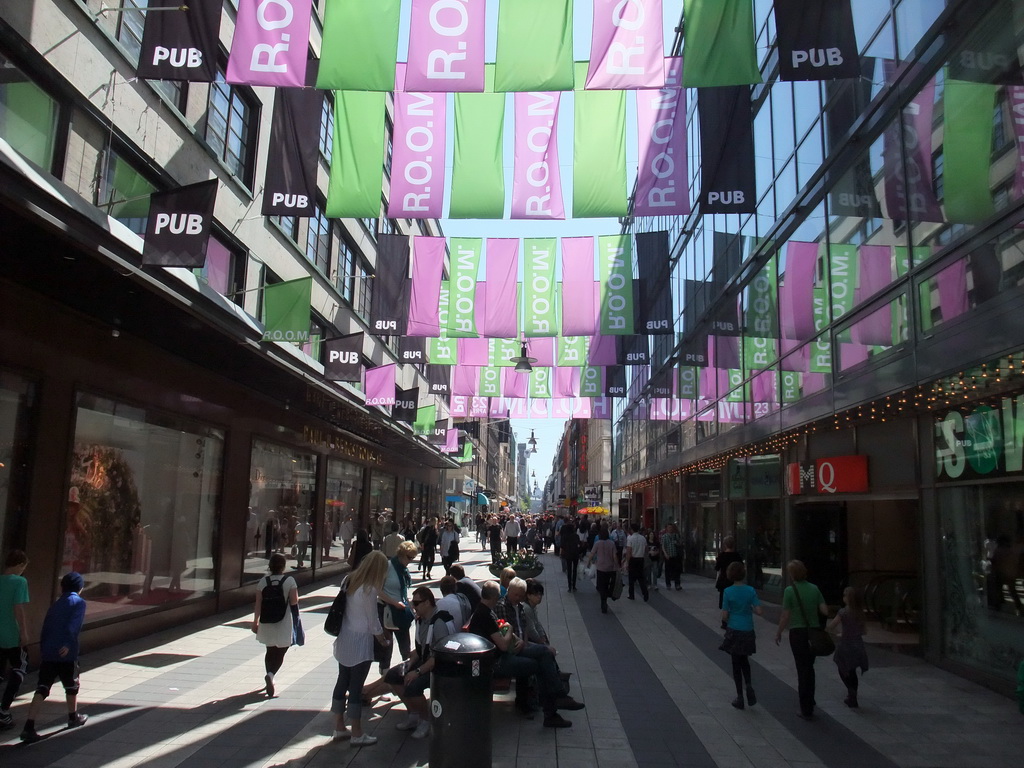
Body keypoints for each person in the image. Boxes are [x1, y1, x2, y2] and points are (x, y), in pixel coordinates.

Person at [467, 580, 572, 729]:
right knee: (540, 663)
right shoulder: (485, 615)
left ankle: (555, 701)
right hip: (495, 663)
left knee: (543, 653)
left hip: (497, 658)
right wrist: (509, 629)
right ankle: (555, 703)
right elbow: (503, 645)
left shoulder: (485, 611)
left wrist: (518, 640)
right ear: (494, 597)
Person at [19, 572, 88, 743]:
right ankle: (73, 717)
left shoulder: (56, 604)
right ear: (79, 588)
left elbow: (47, 627)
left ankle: (29, 726)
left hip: (48, 651)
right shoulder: (79, 602)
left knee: (42, 688)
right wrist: (66, 644)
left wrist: (44, 648)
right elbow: (74, 625)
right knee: (71, 686)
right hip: (66, 652)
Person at [332, 551, 391, 746]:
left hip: (344, 637)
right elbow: (373, 620)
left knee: (342, 680)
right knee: (356, 686)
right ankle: (357, 732)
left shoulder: (348, 580)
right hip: (361, 641)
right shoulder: (369, 589)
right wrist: (382, 639)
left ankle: (339, 726)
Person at [385, 587, 456, 739]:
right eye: (413, 603)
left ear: (428, 603)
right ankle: (413, 715)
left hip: (440, 667)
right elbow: (420, 649)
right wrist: (409, 664)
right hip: (426, 661)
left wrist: (417, 672)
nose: (413, 606)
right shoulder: (421, 621)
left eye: (416, 603)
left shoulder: (439, 623)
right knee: (392, 676)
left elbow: (439, 657)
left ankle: (426, 720)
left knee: (413, 685)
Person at [775, 560, 829, 720]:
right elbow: (824, 610)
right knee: (809, 667)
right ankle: (810, 699)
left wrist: (778, 632)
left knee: (801, 668)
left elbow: (785, 615)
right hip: (812, 632)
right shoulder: (814, 589)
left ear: (792, 575)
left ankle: (805, 705)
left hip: (797, 633)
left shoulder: (790, 591)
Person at [252, 553, 299, 698]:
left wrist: (255, 621)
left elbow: (258, 603)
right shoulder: (289, 580)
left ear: (270, 566)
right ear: (283, 566)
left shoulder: (263, 582)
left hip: (266, 621)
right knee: (282, 649)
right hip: (283, 621)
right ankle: (271, 675)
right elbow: (294, 601)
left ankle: (268, 674)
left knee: (269, 649)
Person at [720, 561, 763, 710]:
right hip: (748, 629)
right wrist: (748, 607)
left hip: (734, 629)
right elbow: (759, 611)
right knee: (745, 660)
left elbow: (724, 616)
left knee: (735, 663)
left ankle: (740, 696)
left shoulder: (727, 592)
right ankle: (749, 685)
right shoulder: (750, 590)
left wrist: (731, 614)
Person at [826, 586, 869, 708]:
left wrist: (831, 631)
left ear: (848, 598)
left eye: (845, 595)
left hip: (846, 644)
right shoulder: (860, 612)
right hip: (858, 644)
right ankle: (853, 695)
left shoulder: (843, 612)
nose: (843, 597)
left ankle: (851, 693)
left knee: (842, 668)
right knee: (853, 670)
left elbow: (832, 625)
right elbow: (864, 631)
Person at [0, 550, 30, 729]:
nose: (23, 571)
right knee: (19, 669)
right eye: (24, 567)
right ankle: (4, 710)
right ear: (19, 565)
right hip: (12, 633)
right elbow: (18, 608)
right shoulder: (20, 582)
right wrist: (24, 632)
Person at [377, 541, 417, 674]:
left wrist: (409, 604)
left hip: (401, 610)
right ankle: (384, 676)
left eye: (413, 558)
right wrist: (394, 602)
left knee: (405, 646)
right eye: (409, 557)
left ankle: (406, 673)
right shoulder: (387, 567)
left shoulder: (403, 570)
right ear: (401, 555)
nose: (410, 561)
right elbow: (377, 590)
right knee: (386, 646)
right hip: (386, 609)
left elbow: (403, 591)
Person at [586, 525, 619, 614]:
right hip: (610, 567)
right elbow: (614, 556)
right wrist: (617, 565)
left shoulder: (598, 543)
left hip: (600, 567)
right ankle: (607, 595)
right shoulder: (611, 543)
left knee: (601, 586)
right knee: (608, 583)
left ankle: (603, 602)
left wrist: (588, 562)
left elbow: (592, 553)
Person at [714, 536, 744, 611]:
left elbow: (717, 568)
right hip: (735, 580)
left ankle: (725, 616)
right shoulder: (737, 556)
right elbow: (741, 566)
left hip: (724, 580)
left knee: (724, 600)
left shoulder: (721, 556)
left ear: (725, 545)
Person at [624, 522, 650, 602]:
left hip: (633, 559)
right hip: (640, 559)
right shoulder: (643, 538)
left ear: (631, 530)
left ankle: (631, 594)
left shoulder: (630, 539)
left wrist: (627, 562)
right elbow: (646, 549)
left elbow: (629, 551)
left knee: (631, 578)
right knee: (641, 578)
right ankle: (645, 594)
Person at [560, 522, 581, 592]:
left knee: (569, 570)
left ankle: (569, 587)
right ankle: (574, 586)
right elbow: (579, 545)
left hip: (568, 554)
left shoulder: (564, 536)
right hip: (575, 554)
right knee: (574, 570)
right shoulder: (576, 536)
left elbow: (562, 546)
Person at [661, 523, 682, 590]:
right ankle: (668, 584)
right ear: (667, 528)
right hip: (668, 555)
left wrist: (677, 543)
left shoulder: (676, 536)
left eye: (671, 527)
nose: (670, 529)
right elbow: (663, 546)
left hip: (675, 555)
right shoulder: (664, 536)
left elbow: (680, 543)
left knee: (677, 570)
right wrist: (665, 554)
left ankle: (677, 584)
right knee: (668, 571)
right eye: (669, 527)